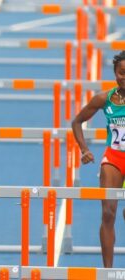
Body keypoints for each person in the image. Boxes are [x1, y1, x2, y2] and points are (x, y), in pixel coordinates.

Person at [72, 51, 125, 268]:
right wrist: (84, 149)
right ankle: (108, 272)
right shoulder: (104, 99)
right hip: (113, 158)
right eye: (121, 73)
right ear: (115, 74)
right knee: (108, 212)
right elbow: (77, 122)